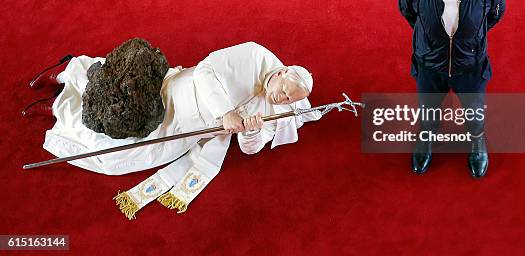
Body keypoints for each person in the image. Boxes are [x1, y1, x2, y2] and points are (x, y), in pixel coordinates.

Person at [24, 41, 321, 219]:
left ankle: (55, 109)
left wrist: (252, 132)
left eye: (287, 100)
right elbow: (206, 70)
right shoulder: (255, 54)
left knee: (117, 159)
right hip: (178, 95)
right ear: (282, 72)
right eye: (284, 91)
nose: (280, 100)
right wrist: (226, 112)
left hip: (191, 131)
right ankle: (66, 72)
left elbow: (249, 148)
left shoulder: (273, 109)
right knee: (124, 96)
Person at [398, 0, 506, 178]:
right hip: (429, 63)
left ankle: (477, 141)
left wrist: (469, 39)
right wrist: (431, 41)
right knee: (428, 110)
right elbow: (409, 13)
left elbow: (495, 15)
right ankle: (426, 138)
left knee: (474, 111)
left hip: (470, 64)